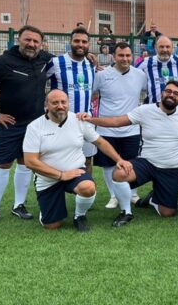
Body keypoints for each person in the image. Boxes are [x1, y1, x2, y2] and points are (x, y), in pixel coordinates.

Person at [0, 25, 52, 225]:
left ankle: (19, 206)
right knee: (3, 164)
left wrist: (92, 60)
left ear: (41, 44)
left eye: (36, 41)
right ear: (19, 40)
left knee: (26, 163)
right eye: (28, 40)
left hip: (35, 125)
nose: (31, 44)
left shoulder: (45, 59)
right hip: (10, 124)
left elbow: (68, 61)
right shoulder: (3, 62)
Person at [78, 81, 178, 222]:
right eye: (168, 91)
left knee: (167, 213)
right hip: (147, 163)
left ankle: (152, 199)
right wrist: (91, 119)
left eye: (176, 94)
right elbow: (116, 122)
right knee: (120, 173)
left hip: (170, 168)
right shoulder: (145, 110)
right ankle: (126, 212)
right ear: (163, 93)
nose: (171, 95)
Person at [23, 90, 132, 231]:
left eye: (63, 102)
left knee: (88, 187)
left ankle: (79, 216)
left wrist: (119, 160)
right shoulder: (34, 127)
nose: (60, 106)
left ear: (68, 103)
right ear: (46, 105)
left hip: (75, 172)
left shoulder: (78, 121)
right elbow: (30, 161)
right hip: (48, 178)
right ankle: (47, 212)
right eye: (55, 103)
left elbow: (100, 142)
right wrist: (61, 175)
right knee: (52, 226)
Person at [91, 42, 145, 209]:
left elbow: (148, 94)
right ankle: (114, 196)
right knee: (108, 164)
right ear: (113, 57)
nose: (125, 58)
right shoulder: (101, 75)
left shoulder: (140, 75)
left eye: (128, 55)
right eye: (121, 55)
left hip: (131, 128)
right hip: (106, 129)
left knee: (131, 162)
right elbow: (92, 95)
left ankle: (133, 194)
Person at [46, 27, 98, 175]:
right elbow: (37, 82)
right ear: (70, 42)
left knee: (87, 160)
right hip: (60, 121)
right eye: (77, 41)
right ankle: (57, 194)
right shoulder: (56, 62)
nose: (80, 44)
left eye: (84, 41)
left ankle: (87, 194)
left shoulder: (91, 64)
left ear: (89, 44)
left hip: (86, 121)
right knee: (58, 160)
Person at [136, 36, 178, 104]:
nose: (165, 50)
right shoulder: (146, 62)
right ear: (155, 48)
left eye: (167, 47)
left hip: (174, 110)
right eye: (161, 47)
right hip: (153, 109)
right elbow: (132, 73)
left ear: (172, 49)